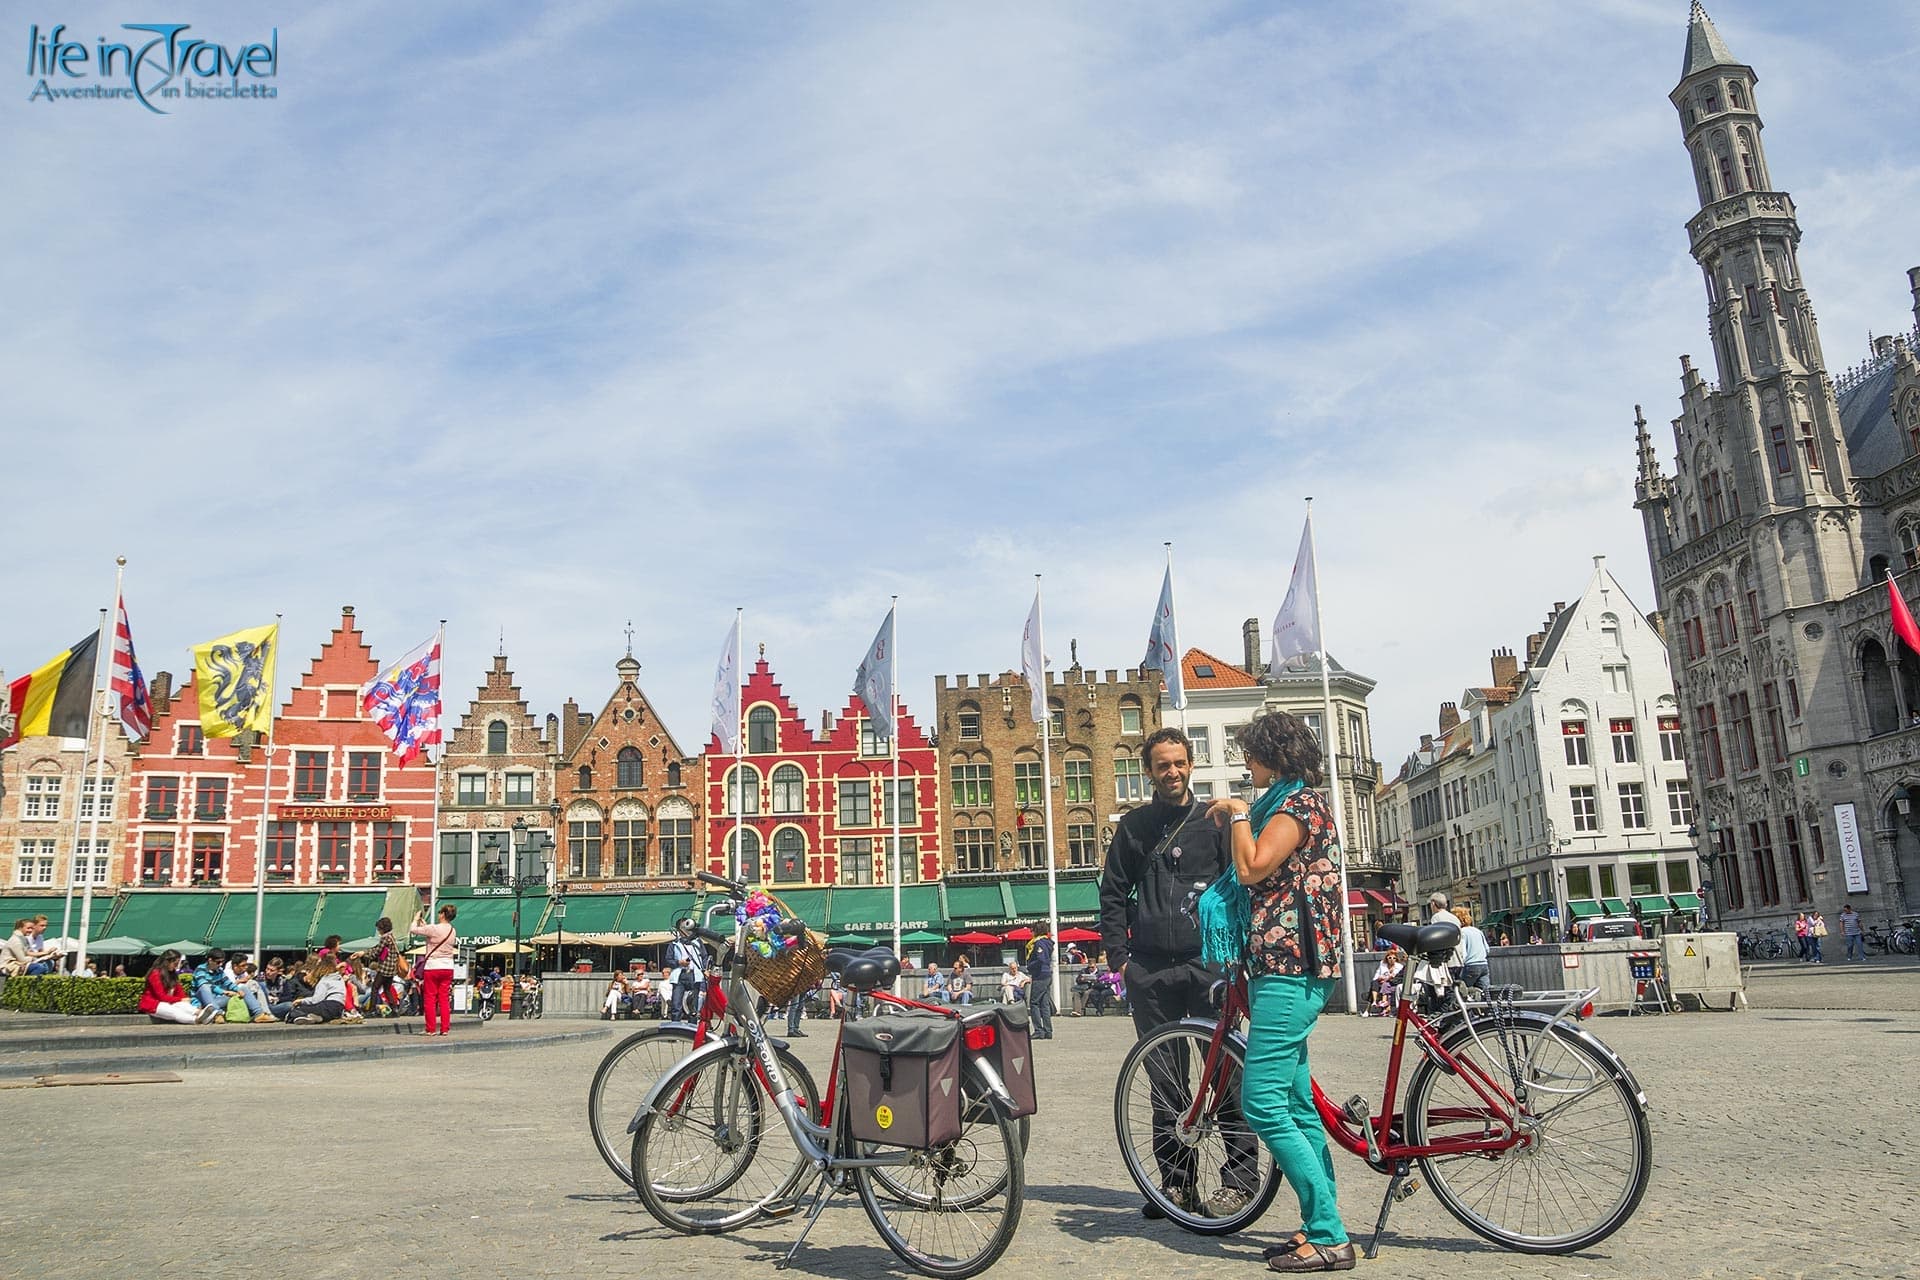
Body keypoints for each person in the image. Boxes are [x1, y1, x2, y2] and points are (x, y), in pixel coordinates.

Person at [1206, 710, 1354, 1272]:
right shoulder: (1293, 804)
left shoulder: (1294, 809)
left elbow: (1251, 869)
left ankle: (1330, 1233)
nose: (1246, 761)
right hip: (1283, 966)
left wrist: (1240, 814)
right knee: (1296, 1104)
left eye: (1251, 752)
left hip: (1291, 967)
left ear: (1274, 753)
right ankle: (1320, 1222)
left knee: (1261, 1102)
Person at [1099, 724, 1249, 1219]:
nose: (1172, 772)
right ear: (1149, 771)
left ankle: (1240, 1178)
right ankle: (1176, 1186)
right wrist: (1120, 958)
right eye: (1162, 765)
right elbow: (1113, 892)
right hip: (1152, 970)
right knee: (1166, 1081)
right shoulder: (1134, 827)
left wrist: (1238, 955)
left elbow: (1238, 887)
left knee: (1223, 1072)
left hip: (1207, 965)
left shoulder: (1215, 822)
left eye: (1180, 763)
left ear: (1191, 766)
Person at [411, 903, 459, 1037]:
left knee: (430, 998)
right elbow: (433, 933)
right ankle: (444, 1029)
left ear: (443, 914)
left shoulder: (434, 928)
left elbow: (413, 929)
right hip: (448, 966)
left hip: (433, 966)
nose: (438, 915)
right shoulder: (452, 930)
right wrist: (425, 925)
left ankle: (430, 1029)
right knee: (444, 999)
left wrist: (415, 919)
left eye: (439, 913)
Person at [357, 917, 403, 1017]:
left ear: (382, 928)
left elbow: (377, 951)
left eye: (379, 929)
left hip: (384, 968)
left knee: (375, 987)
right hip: (391, 969)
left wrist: (364, 953)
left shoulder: (385, 938)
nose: (378, 931)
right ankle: (394, 1009)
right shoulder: (391, 937)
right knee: (387, 989)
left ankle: (372, 1010)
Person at [140, 950, 200, 1023]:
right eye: (175, 963)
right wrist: (180, 1000)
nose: (177, 966)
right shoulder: (155, 974)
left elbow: (180, 993)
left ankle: (199, 1013)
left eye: (178, 963)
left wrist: (184, 1000)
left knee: (184, 1005)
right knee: (174, 1011)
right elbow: (161, 997)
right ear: (167, 962)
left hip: (168, 1002)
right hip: (153, 1004)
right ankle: (195, 1019)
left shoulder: (173, 974)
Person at [667, 919, 707, 1022]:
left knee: (693, 1005)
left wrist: (706, 969)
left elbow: (704, 957)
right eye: (684, 927)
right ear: (679, 929)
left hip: (694, 974)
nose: (687, 929)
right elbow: (668, 960)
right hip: (680, 975)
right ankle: (675, 1029)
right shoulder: (674, 943)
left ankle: (692, 1031)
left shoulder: (697, 942)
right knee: (676, 1005)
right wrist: (679, 963)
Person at [287, 960, 352, 1024]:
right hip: (339, 1008)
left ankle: (306, 1016)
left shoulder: (325, 980)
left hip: (328, 1005)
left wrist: (301, 1001)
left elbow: (316, 1000)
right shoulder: (339, 979)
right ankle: (317, 1017)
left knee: (297, 1010)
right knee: (320, 1011)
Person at [189, 950, 240, 1023]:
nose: (221, 964)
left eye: (223, 962)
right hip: (200, 1000)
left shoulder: (220, 971)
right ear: (210, 960)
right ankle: (217, 1014)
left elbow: (228, 982)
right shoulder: (200, 969)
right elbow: (206, 985)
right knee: (204, 987)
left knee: (240, 990)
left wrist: (238, 990)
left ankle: (258, 1013)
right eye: (218, 962)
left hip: (214, 1000)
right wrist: (224, 992)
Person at [1025, 923, 1056, 1038]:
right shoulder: (1048, 942)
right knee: (1044, 1003)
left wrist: (1030, 966)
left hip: (1040, 975)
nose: (1031, 933)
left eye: (1032, 930)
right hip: (1047, 974)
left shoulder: (1039, 943)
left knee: (1034, 1003)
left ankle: (1039, 1030)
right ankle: (1048, 1030)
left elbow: (1041, 958)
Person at [1456, 906, 1492, 997]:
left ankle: (1468, 1009)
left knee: (1462, 992)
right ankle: (1490, 1010)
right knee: (1486, 994)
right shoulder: (1478, 931)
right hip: (1484, 965)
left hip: (1470, 966)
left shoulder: (1462, 932)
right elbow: (1487, 949)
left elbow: (1462, 953)